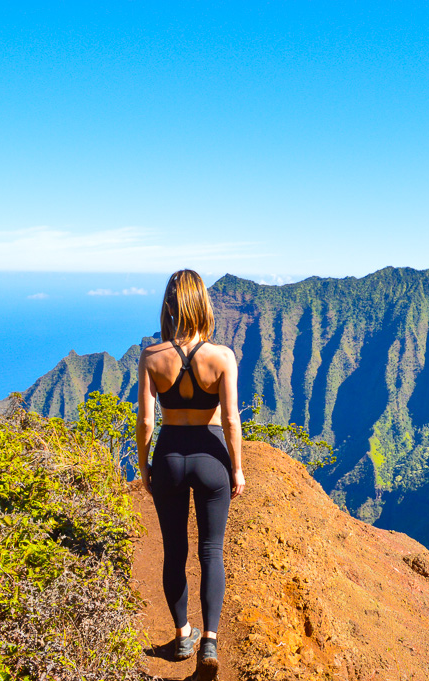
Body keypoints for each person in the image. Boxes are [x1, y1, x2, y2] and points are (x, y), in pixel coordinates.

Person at [136, 269, 245, 670]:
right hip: (210, 455)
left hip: (169, 457)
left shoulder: (151, 357)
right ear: (203, 305)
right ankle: (210, 643)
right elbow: (231, 420)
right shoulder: (222, 357)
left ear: (169, 305)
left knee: (174, 550)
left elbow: (147, 422)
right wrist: (237, 468)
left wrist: (146, 465)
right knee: (211, 550)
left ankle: (183, 636)